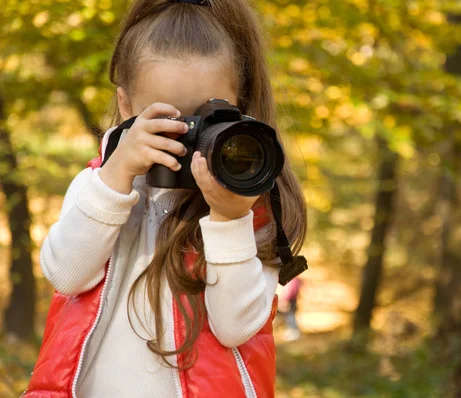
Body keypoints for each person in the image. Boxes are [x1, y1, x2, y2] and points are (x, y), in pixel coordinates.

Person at [24, 0, 306, 397]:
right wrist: (116, 175)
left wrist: (229, 221)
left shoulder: (251, 209)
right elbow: (66, 275)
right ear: (126, 105)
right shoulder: (98, 185)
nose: (189, 137)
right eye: (169, 121)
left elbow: (236, 329)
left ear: (239, 107)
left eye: (207, 117)